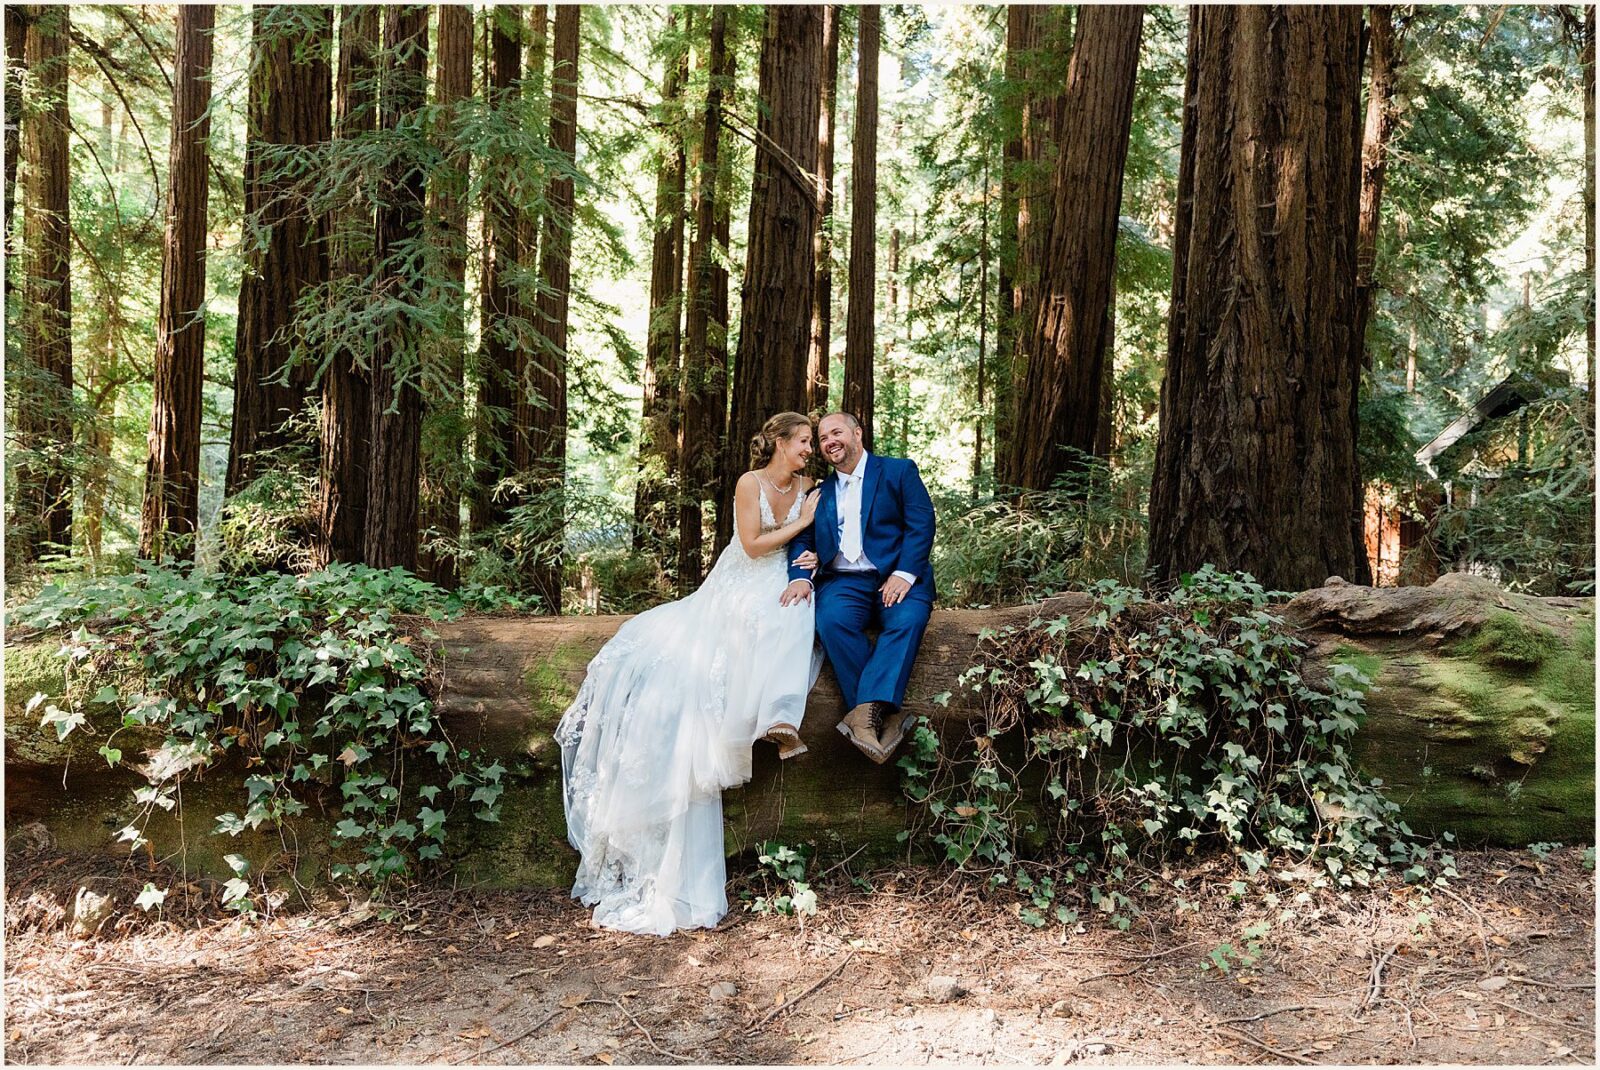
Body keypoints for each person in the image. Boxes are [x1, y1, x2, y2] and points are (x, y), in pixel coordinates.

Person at [556, 412, 822, 935]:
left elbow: (813, 540)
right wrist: (801, 525)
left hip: (783, 578)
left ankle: (779, 718)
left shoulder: (812, 485)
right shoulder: (751, 483)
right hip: (741, 578)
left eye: (812, 442)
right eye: (804, 441)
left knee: (795, 615)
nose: (810, 449)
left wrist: (808, 564)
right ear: (779, 443)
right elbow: (751, 544)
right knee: (705, 654)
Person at [782, 412, 935, 764]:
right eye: (822, 438)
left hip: (894, 576)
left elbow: (921, 523)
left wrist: (905, 573)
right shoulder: (819, 492)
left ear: (857, 433)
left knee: (908, 619)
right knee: (831, 621)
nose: (829, 441)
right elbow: (801, 538)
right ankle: (884, 714)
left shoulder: (898, 471)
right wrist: (800, 577)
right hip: (843, 581)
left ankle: (862, 714)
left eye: (836, 432)